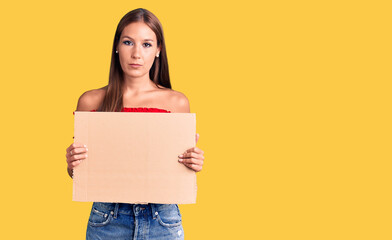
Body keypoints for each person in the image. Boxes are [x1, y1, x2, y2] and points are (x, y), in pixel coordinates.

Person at [65, 8, 205, 240]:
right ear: (117, 46)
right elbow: (80, 174)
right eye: (129, 42)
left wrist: (192, 164)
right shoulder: (91, 100)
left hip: (163, 219)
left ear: (158, 50)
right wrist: (72, 164)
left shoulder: (177, 102)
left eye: (147, 44)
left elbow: (179, 174)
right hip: (108, 219)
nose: (137, 54)